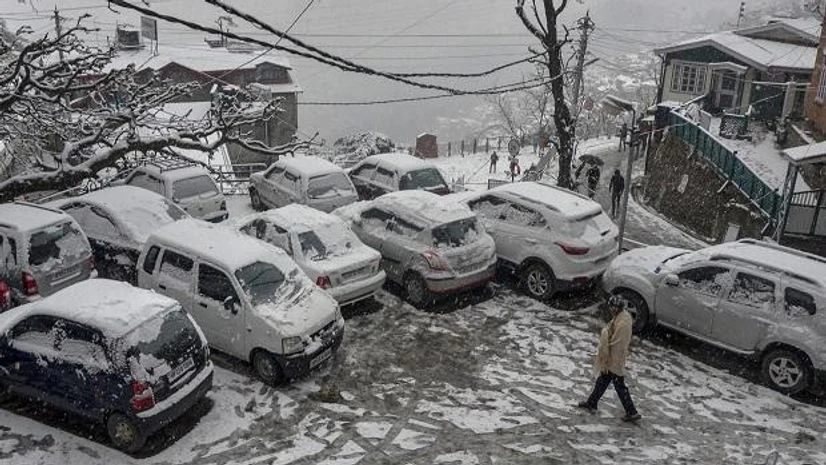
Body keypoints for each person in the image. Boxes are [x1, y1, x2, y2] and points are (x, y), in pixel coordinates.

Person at [577, 296, 641, 422]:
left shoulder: (623, 323)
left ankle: (632, 412)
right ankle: (592, 402)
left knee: (619, 386)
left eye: (613, 308)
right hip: (613, 359)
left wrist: (608, 358)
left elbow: (618, 344)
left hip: (615, 360)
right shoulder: (621, 317)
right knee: (603, 381)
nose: (612, 310)